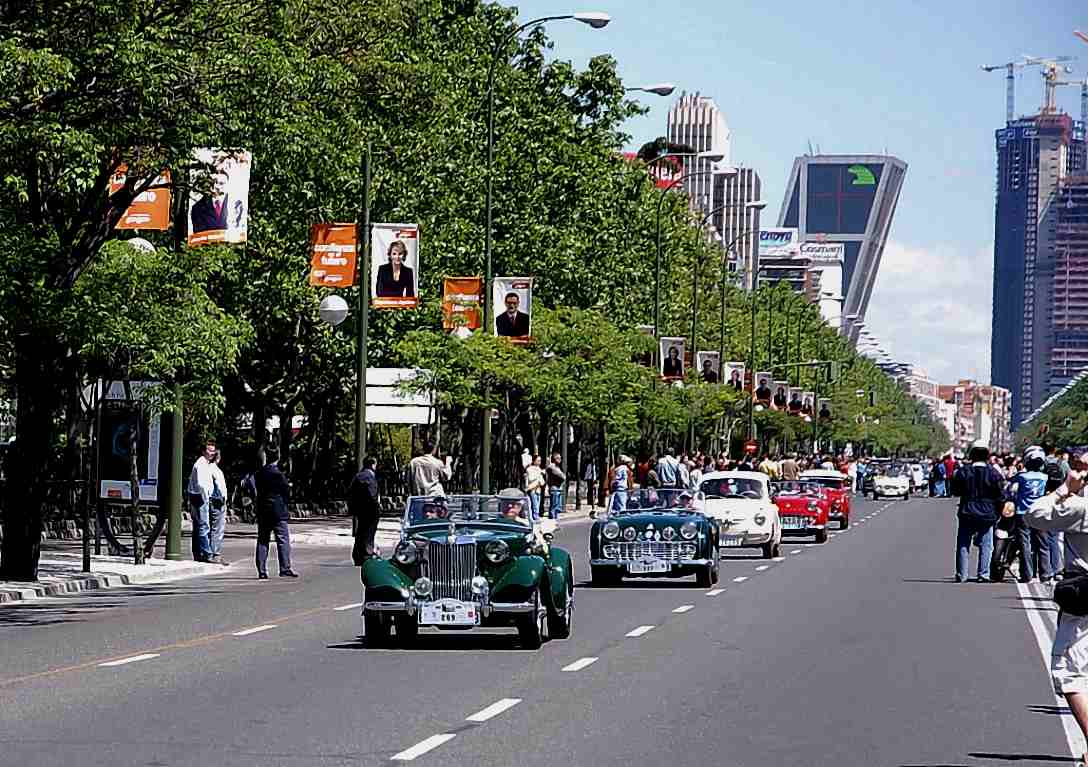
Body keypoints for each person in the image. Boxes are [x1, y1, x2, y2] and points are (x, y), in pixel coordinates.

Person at [1026, 456, 1088, 765]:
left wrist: (1064, 488)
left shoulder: (1080, 507)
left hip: (1084, 599)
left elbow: (1034, 515)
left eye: (1081, 467)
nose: (1076, 471)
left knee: (1069, 673)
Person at [950, 439, 1004, 582]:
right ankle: (983, 574)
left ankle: (962, 574)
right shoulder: (993, 473)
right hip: (987, 513)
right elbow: (1000, 495)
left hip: (967, 511)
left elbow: (955, 490)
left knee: (963, 543)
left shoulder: (963, 472)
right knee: (987, 545)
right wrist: (998, 512)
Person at [1002, 446, 1049, 583]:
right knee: (1043, 545)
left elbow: (1009, 488)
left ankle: (1027, 575)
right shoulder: (1044, 477)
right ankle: (1045, 574)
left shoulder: (1021, 477)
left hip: (1023, 513)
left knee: (1025, 545)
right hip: (1041, 513)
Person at [255, 446, 297, 578]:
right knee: (283, 539)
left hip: (263, 510)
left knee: (263, 540)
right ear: (277, 457)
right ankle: (285, 568)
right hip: (278, 510)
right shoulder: (278, 474)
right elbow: (287, 491)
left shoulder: (260, 473)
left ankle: (262, 570)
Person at [187, 440, 217, 562]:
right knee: (204, 526)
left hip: (198, 496)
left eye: (213, 451)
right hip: (199, 497)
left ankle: (198, 553)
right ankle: (207, 553)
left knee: (198, 526)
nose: (212, 453)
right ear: (204, 451)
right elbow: (201, 484)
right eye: (209, 450)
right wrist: (206, 496)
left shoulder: (205, 463)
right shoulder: (200, 464)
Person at [350, 456, 380, 564]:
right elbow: (372, 494)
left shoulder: (358, 476)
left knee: (360, 532)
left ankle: (358, 555)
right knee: (369, 532)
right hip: (370, 510)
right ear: (373, 464)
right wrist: (376, 507)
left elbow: (351, 492)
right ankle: (367, 554)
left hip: (360, 509)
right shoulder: (370, 477)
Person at [525, 454, 545, 522]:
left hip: (538, 489)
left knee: (537, 505)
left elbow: (542, 481)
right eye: (538, 460)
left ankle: (536, 517)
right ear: (534, 461)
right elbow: (531, 478)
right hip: (532, 489)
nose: (539, 462)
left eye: (540, 460)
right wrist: (539, 473)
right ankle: (535, 518)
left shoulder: (539, 469)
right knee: (534, 505)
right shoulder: (530, 469)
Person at [545, 453, 566, 520]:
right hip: (554, 488)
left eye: (560, 458)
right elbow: (562, 476)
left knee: (557, 506)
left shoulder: (557, 467)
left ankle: (555, 517)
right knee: (554, 505)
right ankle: (552, 518)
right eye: (558, 458)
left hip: (558, 488)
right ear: (554, 459)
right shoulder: (552, 467)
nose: (560, 460)